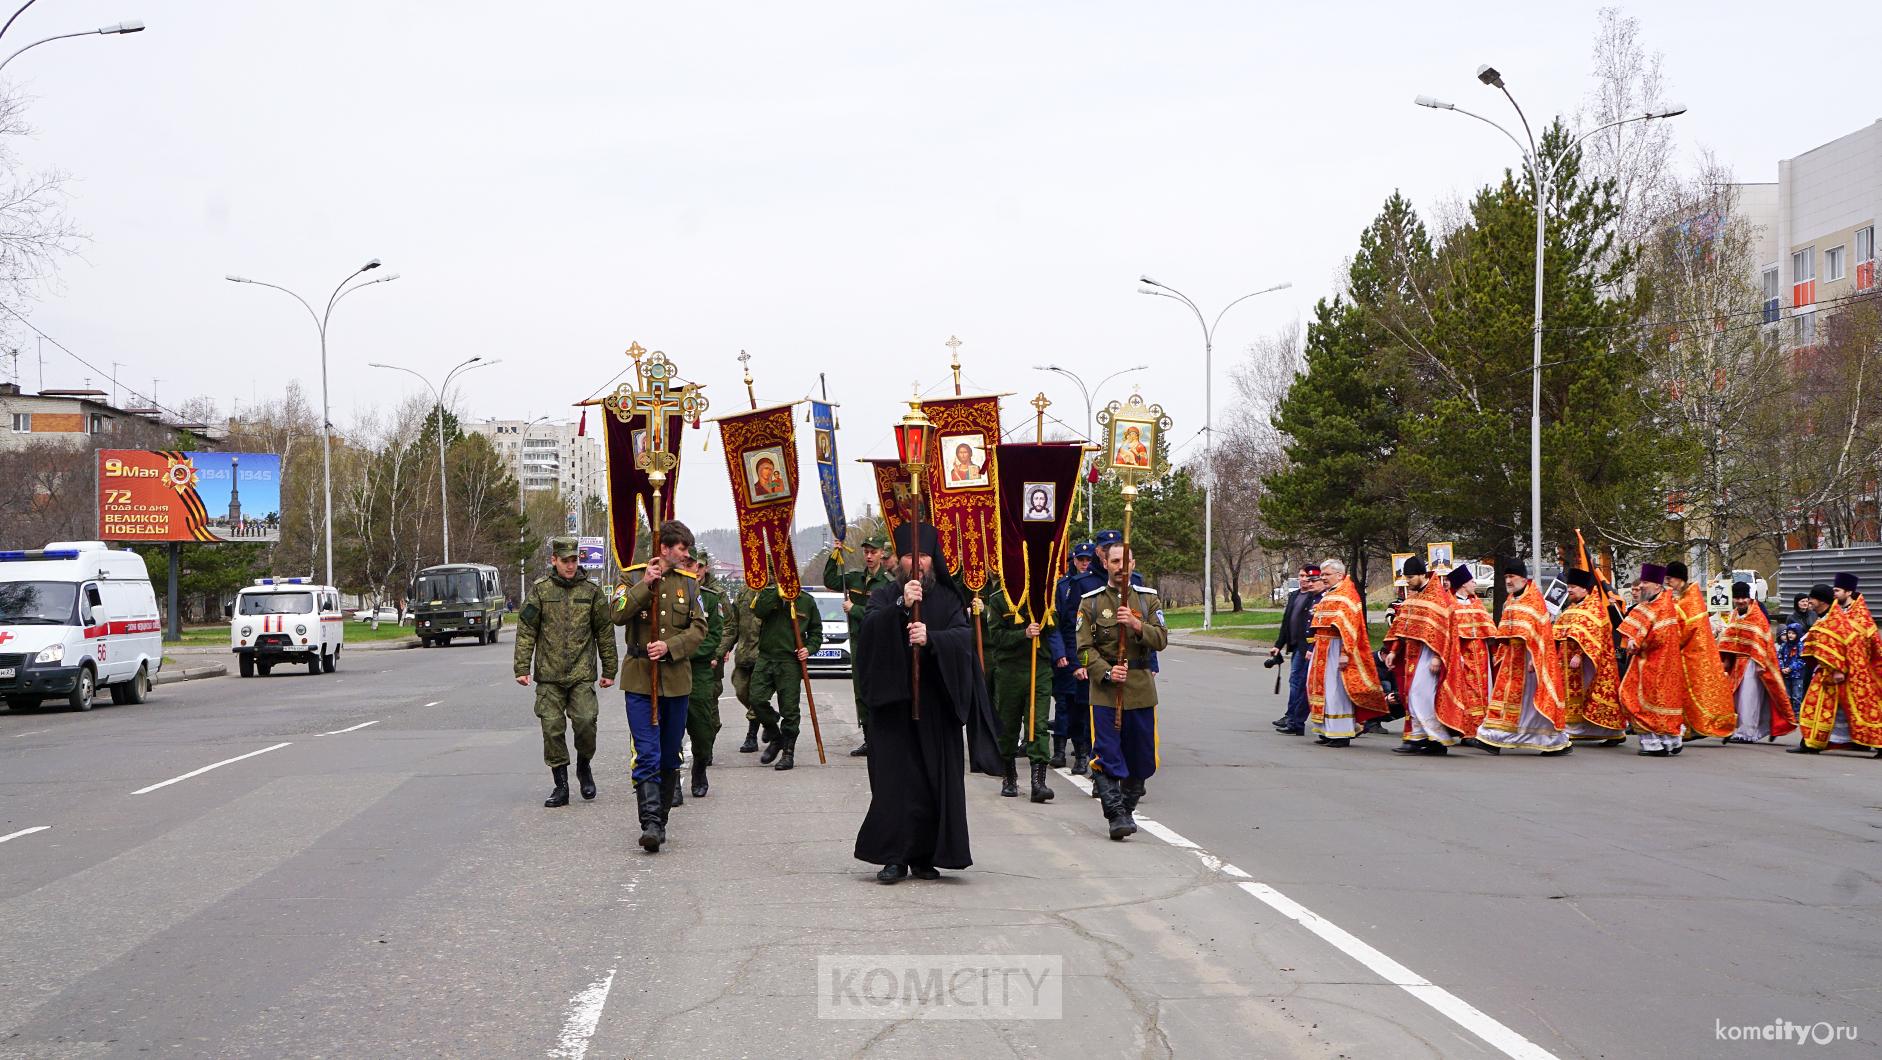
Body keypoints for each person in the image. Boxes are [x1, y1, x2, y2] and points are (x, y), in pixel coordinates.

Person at [853, 522, 1002, 883]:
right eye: (908, 555)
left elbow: (962, 640)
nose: (915, 562)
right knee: (895, 786)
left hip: (936, 706)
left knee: (933, 783)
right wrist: (900, 612)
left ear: (932, 559)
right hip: (894, 709)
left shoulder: (949, 599)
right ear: (899, 561)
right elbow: (868, 636)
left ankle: (925, 855)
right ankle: (894, 856)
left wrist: (931, 639)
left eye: (921, 555)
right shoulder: (885, 597)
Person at [612, 521, 710, 853]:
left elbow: (700, 628)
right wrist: (645, 584)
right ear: (665, 547)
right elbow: (617, 613)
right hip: (640, 679)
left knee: (670, 755)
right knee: (647, 754)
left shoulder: (689, 584)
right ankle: (650, 824)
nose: (687, 555)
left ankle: (662, 819)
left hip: (676, 681)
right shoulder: (633, 575)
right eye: (682, 549)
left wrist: (671, 647)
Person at [513, 536, 618, 808]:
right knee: (552, 728)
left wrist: (609, 669)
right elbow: (526, 630)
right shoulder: (540, 591)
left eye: (574, 560)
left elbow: (604, 633)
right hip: (549, 675)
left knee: (585, 722)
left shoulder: (591, 592)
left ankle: (584, 765)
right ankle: (560, 785)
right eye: (565, 561)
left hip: (581, 673)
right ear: (554, 561)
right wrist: (522, 667)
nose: (571, 566)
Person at [1077, 541, 1169, 839]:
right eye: (1114, 561)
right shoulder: (1090, 602)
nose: (1119, 567)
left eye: (1124, 561)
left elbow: (1161, 639)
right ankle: (1115, 815)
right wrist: (1105, 672)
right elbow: (1084, 649)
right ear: (1105, 563)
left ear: (1133, 563)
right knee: (1106, 753)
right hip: (1105, 692)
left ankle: (1128, 809)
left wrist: (1136, 624)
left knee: (1142, 757)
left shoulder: (1147, 601)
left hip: (1140, 688)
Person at [1477, 561, 1571, 755]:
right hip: (1512, 658)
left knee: (1531, 702)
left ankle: (1552, 740)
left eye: (1512, 577)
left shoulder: (1535, 600)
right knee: (1509, 699)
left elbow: (1541, 635)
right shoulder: (1511, 600)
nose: (1509, 581)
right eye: (1506, 578)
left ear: (1523, 578)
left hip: (1530, 661)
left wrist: (1534, 659)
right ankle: (1494, 737)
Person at [1381, 556, 1472, 755]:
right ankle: (1417, 736)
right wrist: (1394, 651)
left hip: (1430, 655)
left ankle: (1437, 739)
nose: (1408, 581)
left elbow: (1444, 632)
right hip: (1411, 654)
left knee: (1421, 695)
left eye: (1411, 577)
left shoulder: (1438, 598)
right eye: (1406, 577)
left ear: (1423, 574)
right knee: (1410, 695)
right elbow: (1402, 626)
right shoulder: (1413, 597)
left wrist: (1438, 657)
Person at [983, 573, 1055, 803]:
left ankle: (1038, 782)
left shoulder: (1042, 598)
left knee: (1038, 724)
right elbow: (996, 637)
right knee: (1007, 724)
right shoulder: (999, 600)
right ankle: (1009, 776)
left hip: (1039, 668)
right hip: (1010, 670)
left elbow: (1056, 629)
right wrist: (1023, 634)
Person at [1789, 576, 1882, 754]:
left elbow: (1858, 643)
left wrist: (1840, 668)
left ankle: (1870, 742)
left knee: (1863, 708)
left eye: (1838, 590)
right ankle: (1812, 742)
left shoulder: (1846, 616)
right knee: (1824, 707)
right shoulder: (1832, 614)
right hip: (1827, 669)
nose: (1808, 602)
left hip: (1849, 669)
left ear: (1848, 592)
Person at [1306, 558, 1388, 748]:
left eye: (1326, 574)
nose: (1323, 578)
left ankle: (1340, 733)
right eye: (1322, 574)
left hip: (1336, 647)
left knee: (1336, 691)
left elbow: (1351, 628)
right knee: (1323, 691)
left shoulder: (1347, 594)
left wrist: (1345, 653)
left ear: (1339, 575)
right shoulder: (1331, 593)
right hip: (1323, 647)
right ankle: (1328, 730)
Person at [824, 534, 893, 756]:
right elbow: (830, 581)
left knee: (880, 688)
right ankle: (869, 739)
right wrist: (836, 554)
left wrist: (854, 609)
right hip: (857, 640)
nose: (869, 556)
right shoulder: (854, 579)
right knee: (860, 690)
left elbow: (885, 616)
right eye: (866, 552)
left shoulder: (889, 584)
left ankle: (884, 737)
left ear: (882, 553)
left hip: (880, 643)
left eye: (873, 552)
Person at [748, 571, 823, 771]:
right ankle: (775, 735)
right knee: (756, 699)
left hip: (789, 661)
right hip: (766, 658)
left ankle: (788, 753)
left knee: (789, 709)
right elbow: (758, 611)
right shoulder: (768, 594)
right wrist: (777, 592)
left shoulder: (806, 601)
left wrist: (809, 648)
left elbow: (816, 632)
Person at [1618, 563, 1689, 757]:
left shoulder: (1666, 606)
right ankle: (1668, 741)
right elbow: (1634, 628)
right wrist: (1632, 640)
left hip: (1657, 663)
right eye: (1641, 582)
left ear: (1657, 585)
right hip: (1651, 663)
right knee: (1656, 703)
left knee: (1641, 700)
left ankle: (1655, 743)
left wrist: (1638, 644)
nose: (1640, 586)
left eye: (1645, 582)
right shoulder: (1652, 604)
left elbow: (1661, 636)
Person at [1662, 561, 1736, 742]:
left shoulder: (1691, 599)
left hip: (1695, 654)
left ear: (1679, 578)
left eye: (1669, 578)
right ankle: (1690, 727)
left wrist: (1670, 641)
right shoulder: (1681, 597)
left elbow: (1686, 630)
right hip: (1686, 654)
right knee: (1687, 693)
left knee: (1701, 692)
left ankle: (1718, 725)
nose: (1667, 581)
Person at [1718, 581, 1797, 744]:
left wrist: (1761, 664)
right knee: (1738, 699)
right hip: (1737, 663)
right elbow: (1730, 639)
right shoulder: (1734, 614)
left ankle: (1748, 732)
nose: (1740, 601)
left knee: (1750, 698)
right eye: (1737, 598)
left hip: (1754, 663)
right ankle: (1743, 729)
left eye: (1743, 598)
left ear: (1749, 598)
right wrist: (1725, 660)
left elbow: (1762, 643)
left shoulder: (1757, 616)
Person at [1556, 568, 1626, 745]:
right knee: (1576, 696)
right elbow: (1560, 631)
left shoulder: (1595, 607)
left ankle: (1612, 732)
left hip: (1589, 662)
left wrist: (1579, 655)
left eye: (1573, 587)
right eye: (1568, 586)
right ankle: (1579, 729)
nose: (1569, 590)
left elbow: (1593, 634)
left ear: (1584, 589)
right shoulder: (1572, 607)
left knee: (1593, 694)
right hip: (1569, 663)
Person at [1049, 542, 1099, 773]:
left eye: (1088, 560)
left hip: (1091, 655)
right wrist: (1060, 653)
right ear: (1074, 561)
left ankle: (1086, 752)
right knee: (1065, 704)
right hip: (1069, 654)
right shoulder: (1065, 586)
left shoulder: (1098, 584)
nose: (1085, 564)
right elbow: (1059, 624)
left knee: (1085, 707)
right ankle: (1061, 749)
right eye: (1081, 560)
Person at [684, 553, 727, 796]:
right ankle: (671, 782)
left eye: (696, 566)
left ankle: (699, 766)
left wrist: (684, 651)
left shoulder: (710, 600)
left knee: (702, 726)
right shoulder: (668, 594)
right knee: (671, 729)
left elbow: (714, 635)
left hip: (699, 670)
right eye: (687, 565)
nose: (692, 570)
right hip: (672, 668)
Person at [1269, 564, 1324, 736]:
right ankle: (1291, 717)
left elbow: (1313, 627)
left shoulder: (1315, 598)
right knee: (1295, 683)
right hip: (1295, 646)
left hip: (1305, 647)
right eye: (1301, 576)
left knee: (1299, 684)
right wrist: (1279, 645)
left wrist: (1310, 646)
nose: (1303, 580)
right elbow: (1287, 622)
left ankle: (1294, 719)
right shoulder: (1295, 596)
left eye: (1308, 578)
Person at [1448, 565, 1497, 749]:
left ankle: (1481, 730)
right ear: (1462, 585)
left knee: (1483, 694)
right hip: (1463, 656)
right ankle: (1467, 731)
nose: (1474, 583)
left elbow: (1489, 630)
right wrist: (1456, 655)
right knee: (1467, 695)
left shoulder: (1477, 603)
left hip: (1481, 657)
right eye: (1471, 581)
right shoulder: (1451, 605)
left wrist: (1494, 653)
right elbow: (1450, 634)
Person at [726, 582, 770, 754]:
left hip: (765, 654)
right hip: (744, 653)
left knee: (757, 695)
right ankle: (768, 719)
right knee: (740, 690)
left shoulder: (773, 592)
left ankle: (751, 736)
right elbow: (733, 625)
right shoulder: (743, 592)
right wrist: (725, 648)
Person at [1776, 622, 1807, 711]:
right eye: (1789, 633)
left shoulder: (1800, 646)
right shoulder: (1784, 645)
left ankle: (1797, 712)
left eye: (1793, 633)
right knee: (1787, 694)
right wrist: (1782, 667)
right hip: (1786, 674)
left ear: (1798, 634)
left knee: (1797, 695)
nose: (1790, 635)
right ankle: (1788, 712)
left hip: (1797, 675)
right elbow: (1779, 656)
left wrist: (1791, 668)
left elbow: (1802, 660)